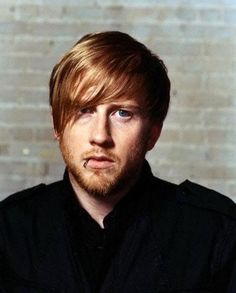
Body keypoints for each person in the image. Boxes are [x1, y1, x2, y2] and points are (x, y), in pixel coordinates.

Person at [0, 31, 236, 293]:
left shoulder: (215, 233)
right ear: (57, 125)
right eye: (84, 110)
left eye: (123, 113)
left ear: (153, 132)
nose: (100, 136)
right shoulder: (8, 230)